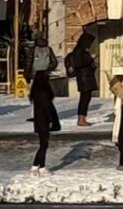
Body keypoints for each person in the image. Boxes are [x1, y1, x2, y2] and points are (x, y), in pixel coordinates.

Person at [28, 41, 61, 172]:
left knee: (43, 144)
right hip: (44, 121)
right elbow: (48, 108)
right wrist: (53, 120)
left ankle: (40, 166)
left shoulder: (35, 93)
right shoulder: (45, 93)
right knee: (44, 145)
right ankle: (37, 166)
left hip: (39, 120)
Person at [66, 23, 100, 126]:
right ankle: (81, 119)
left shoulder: (82, 50)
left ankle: (82, 118)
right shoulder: (79, 50)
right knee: (84, 99)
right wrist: (90, 59)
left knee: (86, 98)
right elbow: (80, 63)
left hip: (86, 77)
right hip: (84, 78)